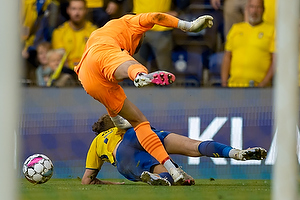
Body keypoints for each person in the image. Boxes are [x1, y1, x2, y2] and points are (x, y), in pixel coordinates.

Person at [74, 12, 213, 184]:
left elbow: (112, 106)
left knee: (139, 122)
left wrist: (119, 121)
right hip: (103, 52)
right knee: (132, 65)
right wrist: (189, 26)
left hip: (87, 78)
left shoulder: (102, 32)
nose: (142, 38)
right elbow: (157, 17)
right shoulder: (130, 21)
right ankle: (139, 75)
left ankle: (172, 169)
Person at [81, 114, 268, 186]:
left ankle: (158, 176)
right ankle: (236, 152)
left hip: (123, 157)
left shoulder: (97, 143)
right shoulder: (122, 125)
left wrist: (112, 184)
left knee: (184, 181)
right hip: (138, 133)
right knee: (195, 146)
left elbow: (87, 181)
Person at [221, 0, 275, 87]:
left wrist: (264, 83)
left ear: (263, 10)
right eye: (252, 7)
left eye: (258, 7)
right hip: (234, 87)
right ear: (247, 9)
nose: (254, 11)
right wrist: (224, 83)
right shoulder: (236, 29)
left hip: (258, 88)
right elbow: (227, 57)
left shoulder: (271, 30)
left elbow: (275, 60)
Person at [131, 0, 189, 73]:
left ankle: (166, 84)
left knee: (165, 69)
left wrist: (177, 11)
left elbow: (185, 2)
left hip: (161, 28)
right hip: (139, 27)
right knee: (137, 69)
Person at [51, 0, 97, 70]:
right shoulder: (59, 32)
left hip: (88, 70)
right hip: (67, 71)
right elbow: (60, 59)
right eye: (73, 9)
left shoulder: (94, 31)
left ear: (86, 10)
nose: (77, 13)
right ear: (68, 10)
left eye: (80, 9)